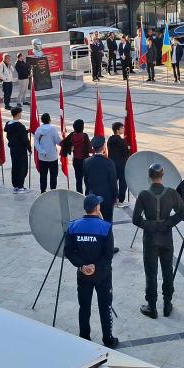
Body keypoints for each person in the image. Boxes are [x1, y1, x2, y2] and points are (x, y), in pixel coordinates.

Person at [132, 163, 184, 318]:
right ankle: (167, 303)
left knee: (151, 273)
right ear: (162, 176)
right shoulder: (171, 193)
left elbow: (136, 219)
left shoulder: (143, 195)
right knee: (167, 270)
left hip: (150, 239)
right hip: (166, 238)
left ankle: (152, 306)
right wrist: (167, 223)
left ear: (149, 177)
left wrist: (151, 225)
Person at [64, 195, 118, 348]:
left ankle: (84, 337)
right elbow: (108, 255)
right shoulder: (105, 227)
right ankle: (108, 339)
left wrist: (83, 266)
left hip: (83, 275)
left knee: (84, 307)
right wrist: (95, 267)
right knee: (105, 306)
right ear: (98, 208)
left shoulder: (73, 226)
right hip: (103, 275)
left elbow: (69, 251)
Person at [84, 136, 119, 224]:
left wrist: (87, 194)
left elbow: (86, 181)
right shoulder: (109, 163)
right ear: (104, 147)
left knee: (93, 223)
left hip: (93, 197)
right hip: (107, 199)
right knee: (107, 223)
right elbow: (113, 183)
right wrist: (115, 196)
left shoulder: (86, 162)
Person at [5, 106, 31, 193]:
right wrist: (29, 148)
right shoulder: (20, 126)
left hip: (13, 149)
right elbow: (24, 139)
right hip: (21, 150)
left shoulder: (8, 124)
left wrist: (26, 131)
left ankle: (15, 185)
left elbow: (14, 135)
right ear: (18, 114)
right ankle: (20, 186)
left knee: (15, 167)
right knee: (22, 168)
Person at [34, 112, 62, 193]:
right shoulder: (53, 129)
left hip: (42, 157)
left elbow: (36, 144)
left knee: (43, 175)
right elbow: (58, 141)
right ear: (49, 120)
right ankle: (53, 191)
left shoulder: (38, 130)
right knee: (53, 175)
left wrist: (42, 152)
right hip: (52, 156)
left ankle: (43, 191)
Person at [61, 119, 91, 193]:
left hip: (76, 160)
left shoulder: (72, 135)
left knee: (78, 180)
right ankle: (87, 195)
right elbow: (89, 149)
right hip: (85, 161)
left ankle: (79, 195)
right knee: (87, 180)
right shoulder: (85, 136)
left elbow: (63, 143)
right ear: (82, 127)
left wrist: (70, 149)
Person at [107, 122, 131, 207]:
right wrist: (128, 147)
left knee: (113, 182)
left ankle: (114, 199)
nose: (123, 129)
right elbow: (126, 153)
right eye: (122, 128)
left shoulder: (110, 139)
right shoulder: (122, 141)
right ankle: (120, 200)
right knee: (123, 183)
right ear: (117, 130)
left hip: (112, 164)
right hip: (121, 164)